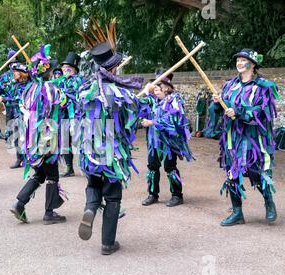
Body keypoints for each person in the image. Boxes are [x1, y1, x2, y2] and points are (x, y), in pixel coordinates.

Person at [76, 17, 144, 255]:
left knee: (93, 182)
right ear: (113, 69)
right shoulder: (118, 92)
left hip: (89, 149)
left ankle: (90, 209)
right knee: (113, 195)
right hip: (112, 151)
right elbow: (129, 124)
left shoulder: (85, 90)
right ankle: (107, 243)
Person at [215, 49, 279, 226]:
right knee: (232, 173)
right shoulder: (229, 85)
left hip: (253, 139)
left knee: (256, 173)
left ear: (253, 64)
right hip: (231, 137)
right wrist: (218, 103)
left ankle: (268, 201)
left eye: (244, 60)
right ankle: (237, 213)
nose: (239, 63)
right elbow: (222, 109)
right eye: (238, 60)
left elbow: (261, 113)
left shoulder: (263, 87)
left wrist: (239, 112)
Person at [10, 45, 69, 225]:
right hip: (47, 136)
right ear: (47, 72)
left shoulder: (29, 89)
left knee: (40, 173)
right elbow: (63, 104)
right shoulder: (50, 89)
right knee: (52, 175)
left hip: (32, 139)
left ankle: (20, 203)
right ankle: (49, 213)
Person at [139, 70, 193, 207]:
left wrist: (153, 122)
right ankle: (152, 194)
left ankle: (177, 195)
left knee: (170, 167)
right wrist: (145, 92)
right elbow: (138, 107)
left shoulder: (175, 101)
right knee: (152, 166)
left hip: (169, 142)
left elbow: (172, 122)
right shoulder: (152, 101)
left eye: (159, 86)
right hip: (154, 141)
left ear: (167, 88)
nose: (156, 89)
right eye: (155, 86)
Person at [57, 52, 85, 178]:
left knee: (83, 139)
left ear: (73, 69)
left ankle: (87, 166)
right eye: (63, 67)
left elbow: (78, 96)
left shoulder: (78, 79)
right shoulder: (60, 81)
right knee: (64, 140)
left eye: (67, 67)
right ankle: (69, 168)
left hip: (77, 115)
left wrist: (65, 96)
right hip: (63, 115)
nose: (64, 69)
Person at [2, 62, 31, 169]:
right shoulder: (14, 84)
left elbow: (19, 100)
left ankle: (28, 160)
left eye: (15, 72)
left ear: (22, 73)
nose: (13, 74)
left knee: (25, 137)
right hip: (13, 114)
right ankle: (19, 158)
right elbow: (5, 90)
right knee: (16, 136)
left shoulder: (28, 85)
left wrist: (5, 99)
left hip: (24, 115)